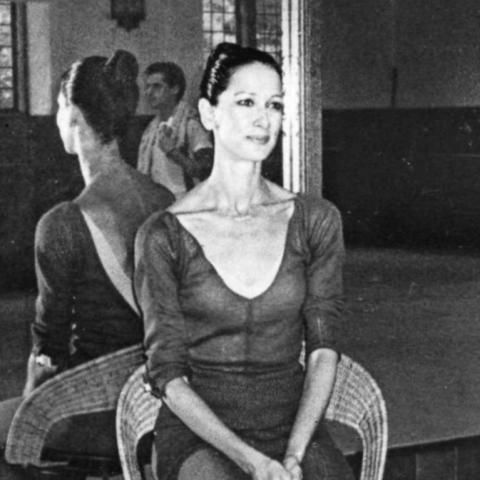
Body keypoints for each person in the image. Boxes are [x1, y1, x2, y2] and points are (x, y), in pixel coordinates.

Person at [135, 43, 353, 480]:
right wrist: (254, 464)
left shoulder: (316, 219)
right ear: (209, 114)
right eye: (246, 102)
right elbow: (168, 375)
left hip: (293, 427)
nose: (263, 118)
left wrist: (292, 456)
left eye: (273, 104)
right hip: (201, 435)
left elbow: (324, 349)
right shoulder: (163, 235)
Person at [0, 50, 173, 479]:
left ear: (72, 115)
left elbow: (47, 352)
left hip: (97, 408)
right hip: (163, 403)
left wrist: (30, 416)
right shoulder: (167, 203)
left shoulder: (61, 225)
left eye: (59, 108)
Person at [137, 61, 213, 197]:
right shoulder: (151, 129)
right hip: (158, 207)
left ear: (175, 89)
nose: (148, 92)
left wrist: (173, 152)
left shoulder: (190, 124)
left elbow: (205, 170)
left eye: (157, 86)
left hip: (185, 206)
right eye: (147, 87)